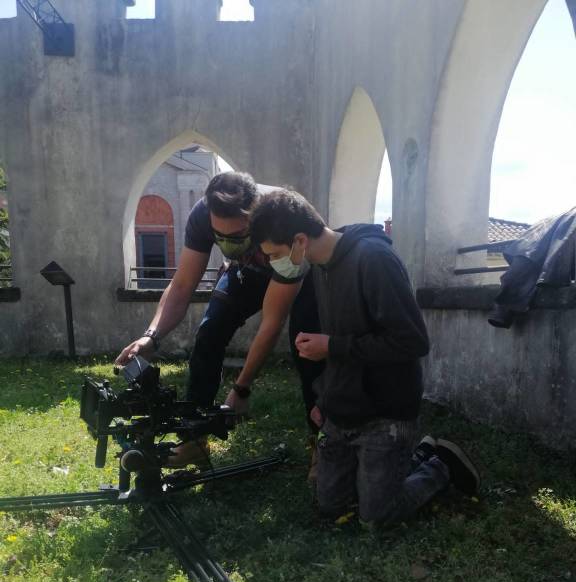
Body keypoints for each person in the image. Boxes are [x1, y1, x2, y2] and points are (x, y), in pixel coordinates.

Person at [249, 189, 480, 526]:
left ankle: (439, 464)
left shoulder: (373, 259)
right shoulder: (320, 267)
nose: (273, 264)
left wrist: (333, 347)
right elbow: (343, 340)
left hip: (386, 412)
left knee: (376, 517)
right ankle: (403, 461)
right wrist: (324, 398)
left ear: (300, 240)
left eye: (275, 254)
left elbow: (412, 341)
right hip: (344, 409)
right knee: (331, 506)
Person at [116, 172, 323, 469]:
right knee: (209, 333)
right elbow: (184, 283)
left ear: (255, 219)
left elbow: (271, 321)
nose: (228, 244)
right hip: (248, 271)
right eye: (220, 237)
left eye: (238, 236)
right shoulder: (202, 214)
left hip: (295, 269)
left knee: (306, 347)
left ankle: (321, 443)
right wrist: (152, 335)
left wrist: (241, 389)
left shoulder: (281, 218)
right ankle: (193, 441)